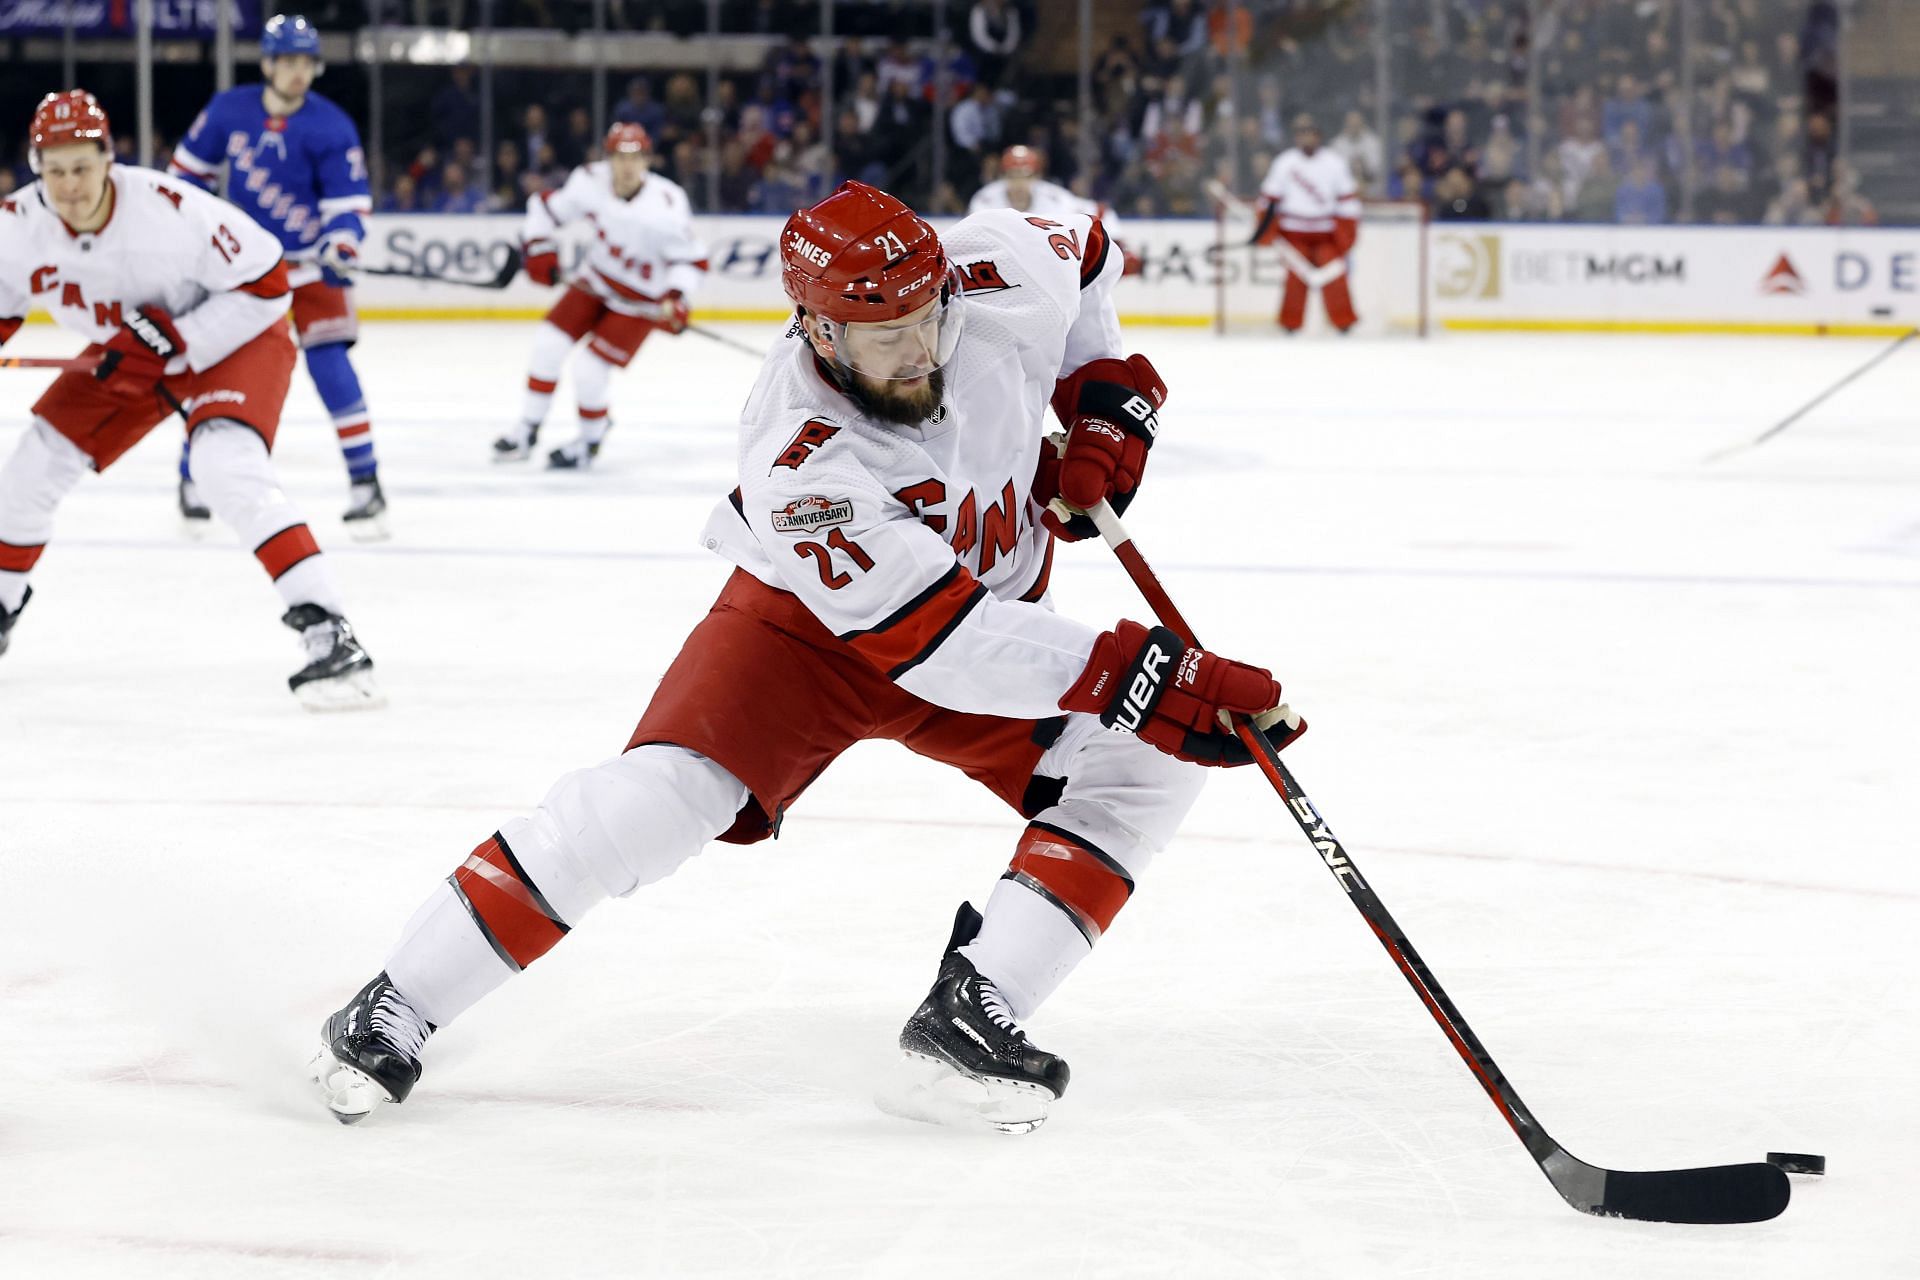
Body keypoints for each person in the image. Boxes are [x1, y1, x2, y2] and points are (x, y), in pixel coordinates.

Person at [310, 180, 1300, 1131]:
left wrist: (1101, 391)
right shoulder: (797, 452)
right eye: (885, 335)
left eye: (929, 315)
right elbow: (933, 645)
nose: (921, 351)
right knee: (656, 804)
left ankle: (973, 1012)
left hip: (979, 620)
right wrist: (1151, 677)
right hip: (807, 635)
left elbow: (1085, 247)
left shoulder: (993, 271)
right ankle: (397, 998)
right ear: (819, 330)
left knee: (1150, 765)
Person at [0, 90, 381, 708]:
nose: (69, 186)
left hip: (235, 336)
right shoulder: (16, 228)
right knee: (32, 464)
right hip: (130, 350)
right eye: (54, 169)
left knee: (223, 465)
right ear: (35, 166)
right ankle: (2, 607)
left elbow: (269, 282)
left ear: (108, 159)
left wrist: (180, 341)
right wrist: (151, 344)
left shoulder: (169, 212)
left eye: (82, 167)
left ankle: (329, 630)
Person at [168, 14, 388, 539]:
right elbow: (184, 180)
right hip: (244, 270)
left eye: (306, 62)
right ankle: (191, 475)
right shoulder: (229, 110)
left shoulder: (331, 124)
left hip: (312, 269)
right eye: (287, 61)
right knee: (214, 363)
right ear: (268, 63)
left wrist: (340, 243)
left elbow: (349, 204)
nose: (297, 72)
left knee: (330, 364)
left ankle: (366, 481)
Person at [491, 123, 708, 470]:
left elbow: (693, 260)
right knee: (548, 344)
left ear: (648, 160)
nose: (627, 166)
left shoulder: (667, 203)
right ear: (608, 158)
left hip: (641, 300)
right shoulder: (589, 181)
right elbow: (545, 210)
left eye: (636, 157)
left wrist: (677, 297)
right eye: (620, 157)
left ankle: (588, 442)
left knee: (589, 370)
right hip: (596, 281)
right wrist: (539, 247)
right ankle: (527, 429)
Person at [1249, 113, 1361, 334]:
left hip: (1325, 234)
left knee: (1334, 275)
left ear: (1318, 136)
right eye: (1301, 134)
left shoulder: (1334, 163)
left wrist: (1347, 234)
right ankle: (1290, 325)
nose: (1306, 138)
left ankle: (1343, 322)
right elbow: (1269, 200)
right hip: (1293, 234)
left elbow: (1348, 201)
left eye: (1310, 134)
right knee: (1295, 278)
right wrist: (1266, 228)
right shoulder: (1284, 163)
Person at [968, 146, 1138, 274]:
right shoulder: (984, 200)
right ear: (1003, 176)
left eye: (1025, 176)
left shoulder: (1054, 198)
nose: (1019, 183)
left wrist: (1117, 245)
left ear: (1036, 177)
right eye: (1013, 175)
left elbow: (1100, 211)